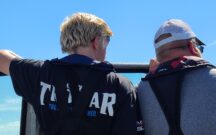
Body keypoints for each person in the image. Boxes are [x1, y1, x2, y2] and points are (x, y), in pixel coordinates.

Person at [0, 12, 141, 135]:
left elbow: (2, 57)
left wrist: (24, 64)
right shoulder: (119, 85)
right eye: (107, 40)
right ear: (96, 42)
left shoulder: (40, 73)